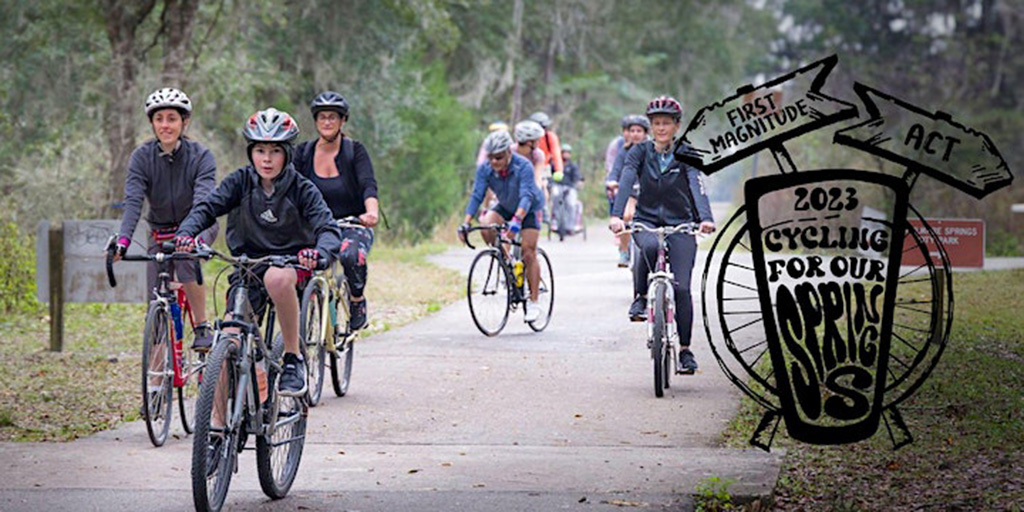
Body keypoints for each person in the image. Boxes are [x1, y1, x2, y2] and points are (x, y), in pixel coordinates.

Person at [175, 107, 342, 397]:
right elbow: (207, 208)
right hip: (247, 267)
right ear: (251, 152)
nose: (267, 159)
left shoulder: (302, 189)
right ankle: (215, 432)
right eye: (260, 150)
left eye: (275, 151)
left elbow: (328, 228)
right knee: (227, 341)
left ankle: (293, 358)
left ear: (287, 154)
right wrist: (186, 233)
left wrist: (319, 253)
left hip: (290, 264)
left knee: (276, 279)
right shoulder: (239, 182)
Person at [608, 96, 715, 374]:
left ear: (677, 126)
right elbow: (627, 180)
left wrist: (705, 219)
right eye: (656, 123)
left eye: (667, 123)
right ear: (650, 126)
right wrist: (617, 215)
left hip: (681, 223)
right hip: (647, 219)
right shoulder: (639, 152)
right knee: (648, 247)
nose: (661, 128)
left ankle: (686, 351)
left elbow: (697, 185)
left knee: (681, 288)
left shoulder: (687, 153)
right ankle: (641, 296)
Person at [114, 87, 218, 352]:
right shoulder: (141, 157)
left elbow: (203, 203)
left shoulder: (201, 156)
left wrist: (190, 235)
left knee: (185, 260)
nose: (165, 125)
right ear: (152, 123)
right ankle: (158, 379)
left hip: (199, 225)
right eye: (159, 119)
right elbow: (133, 203)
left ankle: (202, 326)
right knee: (155, 294)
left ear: (184, 122)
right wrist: (123, 241)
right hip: (160, 231)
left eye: (172, 118)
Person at [292, 91, 379, 331]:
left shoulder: (355, 151)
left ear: (342, 121)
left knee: (351, 255)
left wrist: (371, 212)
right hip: (315, 227)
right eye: (322, 117)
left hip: (351, 225)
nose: (327, 122)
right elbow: (290, 188)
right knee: (292, 262)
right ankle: (301, 317)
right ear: (316, 121)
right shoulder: (303, 153)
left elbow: (368, 185)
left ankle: (357, 300)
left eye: (333, 117)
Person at [458, 130, 546, 321]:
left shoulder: (523, 166)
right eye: (491, 158)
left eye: (498, 157)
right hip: (506, 204)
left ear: (508, 152)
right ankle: (507, 261)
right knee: (487, 223)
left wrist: (516, 222)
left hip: (528, 207)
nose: (494, 163)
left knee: (528, 250)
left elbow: (526, 196)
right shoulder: (485, 168)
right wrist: (465, 223)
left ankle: (533, 301)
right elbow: (477, 195)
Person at [607, 115, 650, 267]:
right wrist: (612, 181)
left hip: (649, 191)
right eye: (632, 131)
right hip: (631, 191)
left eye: (639, 131)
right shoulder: (624, 151)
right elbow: (616, 169)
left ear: (645, 133)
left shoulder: (652, 149)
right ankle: (624, 250)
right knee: (627, 215)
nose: (635, 134)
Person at [554, 143, 583, 232]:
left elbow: (577, 176)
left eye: (568, 153)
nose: (566, 155)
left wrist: (579, 182)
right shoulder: (555, 165)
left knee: (571, 203)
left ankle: (571, 225)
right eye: (564, 152)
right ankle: (555, 221)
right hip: (557, 185)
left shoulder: (572, 166)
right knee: (555, 197)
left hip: (570, 187)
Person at [513, 120, 547, 191]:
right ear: (529, 142)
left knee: (543, 189)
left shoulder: (538, 155)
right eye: (537, 139)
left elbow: (537, 178)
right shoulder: (509, 152)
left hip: (529, 182)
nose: (540, 141)